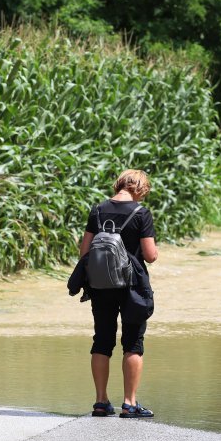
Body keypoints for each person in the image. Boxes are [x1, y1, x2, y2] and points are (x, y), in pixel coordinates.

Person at [78, 169, 158, 418]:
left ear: (119, 184)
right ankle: (129, 403)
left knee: (102, 340)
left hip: (101, 285)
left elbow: (84, 251)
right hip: (132, 286)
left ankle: (101, 402)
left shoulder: (98, 210)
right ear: (140, 188)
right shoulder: (141, 213)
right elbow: (150, 255)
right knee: (133, 342)